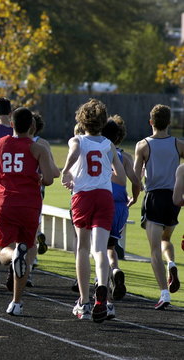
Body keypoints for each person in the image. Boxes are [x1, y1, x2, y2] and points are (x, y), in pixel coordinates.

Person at [0, 107, 57, 315]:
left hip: (4, 201)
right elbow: (50, 179)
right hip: (29, 204)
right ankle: (16, 302)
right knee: (25, 253)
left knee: (3, 253)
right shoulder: (38, 148)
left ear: (12, 124)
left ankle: (13, 254)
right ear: (32, 126)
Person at [62, 99, 126, 322]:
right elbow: (120, 175)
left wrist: (67, 171)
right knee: (100, 250)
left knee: (82, 247)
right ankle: (102, 289)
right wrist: (105, 174)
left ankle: (84, 301)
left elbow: (75, 151)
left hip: (83, 196)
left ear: (82, 120)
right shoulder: (108, 144)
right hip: (104, 197)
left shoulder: (77, 139)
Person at [134, 104, 183, 309]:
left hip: (154, 198)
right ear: (169, 122)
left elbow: (136, 178)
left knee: (154, 250)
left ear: (151, 121)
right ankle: (171, 263)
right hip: (173, 200)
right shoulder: (179, 144)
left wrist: (134, 197)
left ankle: (164, 293)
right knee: (166, 239)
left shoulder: (143, 145)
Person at [100, 117, 141, 311]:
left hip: (101, 202)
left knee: (99, 248)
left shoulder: (98, 150)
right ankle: (116, 269)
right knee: (111, 246)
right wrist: (133, 198)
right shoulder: (125, 157)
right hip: (120, 206)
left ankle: (104, 293)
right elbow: (136, 181)